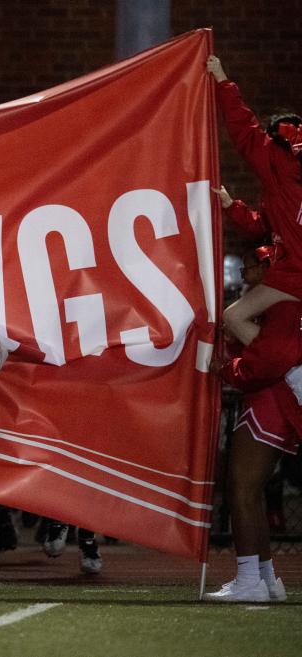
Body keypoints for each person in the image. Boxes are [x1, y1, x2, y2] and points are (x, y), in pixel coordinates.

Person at [207, 249, 297, 602]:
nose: (243, 272)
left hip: (272, 399)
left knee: (241, 488)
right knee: (251, 490)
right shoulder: (276, 307)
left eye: (250, 265)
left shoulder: (283, 305)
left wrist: (227, 370)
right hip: (272, 399)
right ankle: (265, 579)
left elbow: (267, 362)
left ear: (267, 267)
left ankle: (249, 581)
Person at [207, 56, 302, 348]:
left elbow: (245, 132)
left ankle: (290, 371)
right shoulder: (285, 183)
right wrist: (230, 205)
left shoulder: (279, 161)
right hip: (290, 276)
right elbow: (264, 225)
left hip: (293, 275)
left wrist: (222, 79)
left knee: (234, 319)